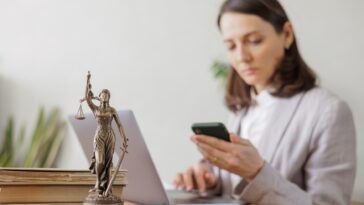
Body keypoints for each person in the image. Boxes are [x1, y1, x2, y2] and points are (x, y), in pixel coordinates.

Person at [173, 0, 356, 204]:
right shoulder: (242, 108)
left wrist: (257, 173)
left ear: (286, 35)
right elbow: (232, 187)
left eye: (254, 40)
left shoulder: (328, 112)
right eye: (231, 46)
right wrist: (209, 178)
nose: (242, 57)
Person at [83, 72, 128, 196]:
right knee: (100, 161)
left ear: (109, 97)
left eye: (107, 95)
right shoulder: (95, 109)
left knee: (108, 163)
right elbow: (87, 98)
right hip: (99, 137)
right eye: (103, 95)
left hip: (110, 136)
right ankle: (98, 184)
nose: (105, 96)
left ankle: (108, 188)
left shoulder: (112, 110)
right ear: (100, 96)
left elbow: (119, 124)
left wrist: (124, 138)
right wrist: (87, 80)